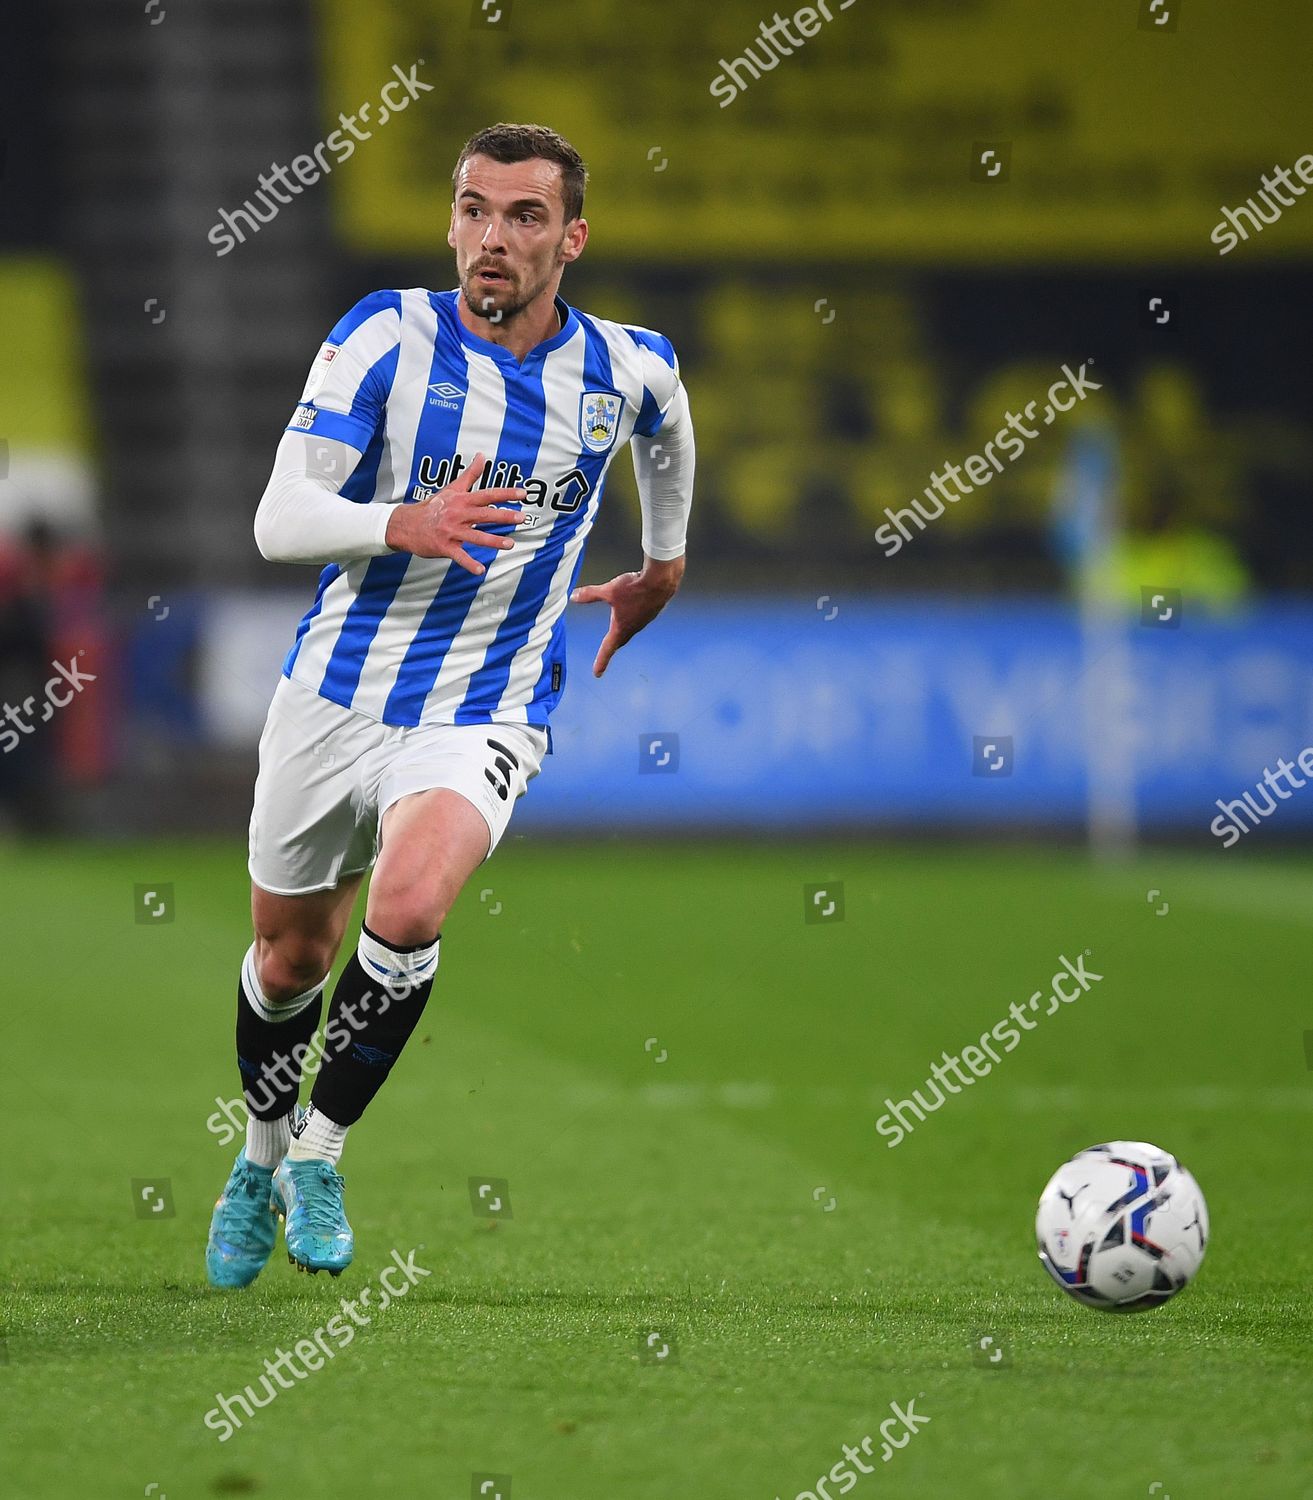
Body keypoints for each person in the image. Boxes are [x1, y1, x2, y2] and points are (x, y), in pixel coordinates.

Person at [205, 122, 695, 1286]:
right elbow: (278, 520)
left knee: (412, 903)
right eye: (474, 208)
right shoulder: (383, 334)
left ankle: (321, 1151)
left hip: (487, 700)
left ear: (570, 238)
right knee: (288, 957)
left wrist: (664, 561)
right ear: (450, 222)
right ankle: (259, 1153)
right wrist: (399, 522)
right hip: (335, 692)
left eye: (525, 217)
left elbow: (669, 424)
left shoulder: (622, 367)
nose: (493, 236)